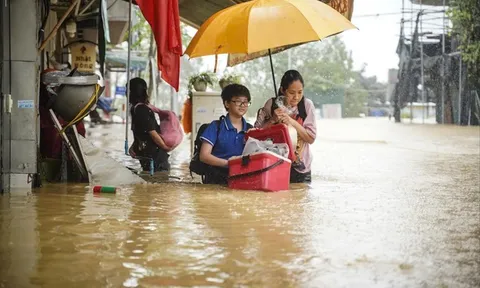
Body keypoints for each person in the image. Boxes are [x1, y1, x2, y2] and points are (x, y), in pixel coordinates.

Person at [254, 70, 317, 183]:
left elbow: (310, 138)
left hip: (301, 169)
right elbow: (255, 136)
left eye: (300, 92)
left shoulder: (307, 105)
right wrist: (272, 120)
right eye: (292, 93)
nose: (296, 97)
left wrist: (291, 122)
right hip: (275, 164)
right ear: (283, 90)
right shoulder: (271, 105)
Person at [199, 84, 252, 184]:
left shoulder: (250, 129)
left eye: (245, 102)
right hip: (215, 179)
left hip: (241, 179)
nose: (242, 105)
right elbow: (204, 156)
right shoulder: (215, 127)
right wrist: (229, 164)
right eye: (237, 101)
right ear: (227, 103)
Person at [128, 77, 170, 172]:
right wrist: (133, 146)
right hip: (148, 156)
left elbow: (153, 133)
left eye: (127, 90)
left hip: (156, 158)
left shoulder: (141, 110)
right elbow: (141, 132)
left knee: (157, 182)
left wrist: (165, 147)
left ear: (132, 92)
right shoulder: (136, 109)